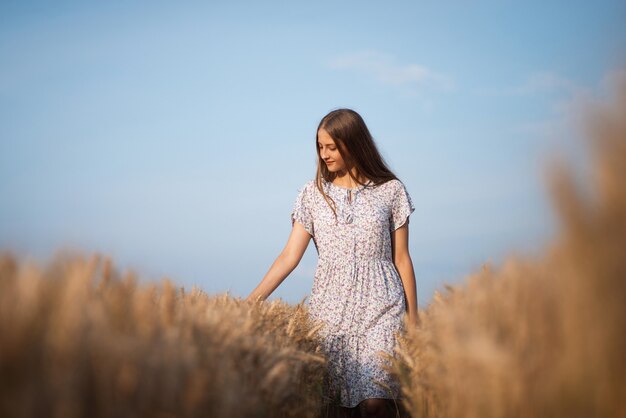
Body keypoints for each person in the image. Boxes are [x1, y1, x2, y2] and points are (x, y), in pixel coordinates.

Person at [246, 108, 420, 418]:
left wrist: (414, 318)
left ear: (353, 143)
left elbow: (402, 257)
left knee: (376, 401)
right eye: (320, 147)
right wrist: (252, 300)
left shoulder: (391, 191)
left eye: (331, 147)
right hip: (330, 308)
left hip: (382, 306)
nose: (324, 155)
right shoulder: (313, 195)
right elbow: (289, 256)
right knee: (335, 406)